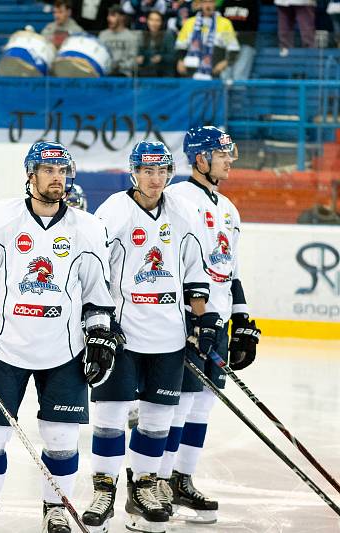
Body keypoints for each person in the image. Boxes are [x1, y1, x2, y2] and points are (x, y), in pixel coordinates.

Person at [0, 141, 119, 533]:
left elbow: (97, 295)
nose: (57, 178)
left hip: (64, 351)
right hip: (5, 347)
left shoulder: (88, 228)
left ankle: (55, 510)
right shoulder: (0, 218)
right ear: (31, 175)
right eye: (49, 171)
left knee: (61, 438)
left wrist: (100, 337)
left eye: (62, 172)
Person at [83, 141, 217, 533]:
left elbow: (196, 270)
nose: (155, 179)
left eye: (162, 171)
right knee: (110, 415)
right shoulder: (114, 210)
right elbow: (95, 270)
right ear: (134, 172)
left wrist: (202, 321)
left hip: (169, 335)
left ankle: (143, 486)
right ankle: (103, 488)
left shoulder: (182, 211)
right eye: (148, 171)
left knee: (158, 417)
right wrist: (100, 322)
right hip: (123, 334)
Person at [160, 126, 261, 524]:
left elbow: (229, 270)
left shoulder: (229, 208)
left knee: (202, 405)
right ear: (200, 159)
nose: (230, 159)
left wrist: (242, 319)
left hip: (216, 323)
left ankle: (182, 480)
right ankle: (159, 482)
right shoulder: (178, 200)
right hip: (190, 320)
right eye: (223, 153)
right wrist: (189, 314)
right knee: (175, 405)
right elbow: (171, 263)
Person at [175, 0, 240, 79]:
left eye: (211, 2)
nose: (208, 5)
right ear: (200, 4)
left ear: (215, 4)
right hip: (191, 70)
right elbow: (181, 46)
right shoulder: (189, 22)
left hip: (214, 71)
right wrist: (180, 61)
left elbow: (233, 49)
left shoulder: (225, 23)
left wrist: (224, 63)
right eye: (205, 2)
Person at [219, 0, 260, 80]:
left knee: (239, 77)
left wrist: (238, 35)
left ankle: (238, 92)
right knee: (224, 77)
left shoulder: (252, 3)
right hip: (227, 45)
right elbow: (221, 23)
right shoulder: (226, 2)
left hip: (246, 44)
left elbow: (253, 25)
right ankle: (224, 93)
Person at [99, 5, 140, 76]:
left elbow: (134, 60)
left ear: (122, 17)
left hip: (123, 76)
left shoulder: (131, 36)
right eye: (108, 15)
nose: (108, 18)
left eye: (113, 15)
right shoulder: (103, 35)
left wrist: (119, 66)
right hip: (105, 74)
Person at [136, 10, 177, 77]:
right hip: (145, 73)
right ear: (147, 21)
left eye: (157, 20)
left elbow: (173, 56)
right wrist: (139, 57)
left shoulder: (168, 35)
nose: (154, 23)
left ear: (162, 22)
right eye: (151, 20)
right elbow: (139, 52)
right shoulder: (143, 35)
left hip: (163, 73)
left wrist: (161, 58)